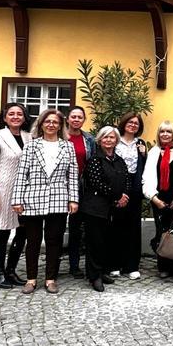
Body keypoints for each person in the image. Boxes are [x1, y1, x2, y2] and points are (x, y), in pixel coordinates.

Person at [11, 109, 79, 295]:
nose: (51, 125)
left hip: (58, 198)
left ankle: (50, 279)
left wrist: (74, 199)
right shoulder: (31, 146)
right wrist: (17, 199)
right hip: (32, 197)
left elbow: (72, 176)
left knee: (54, 241)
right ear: (41, 124)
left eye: (55, 122)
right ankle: (31, 279)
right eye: (47, 122)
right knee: (33, 241)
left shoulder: (68, 147)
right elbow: (21, 174)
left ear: (60, 125)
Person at [0, 103, 32, 288]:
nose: (15, 117)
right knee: (3, 231)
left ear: (24, 117)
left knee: (23, 231)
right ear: (4, 118)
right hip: (3, 190)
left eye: (19, 114)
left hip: (25, 192)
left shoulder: (30, 137)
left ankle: (11, 270)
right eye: (11, 114)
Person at [79, 127, 130, 292]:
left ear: (116, 141)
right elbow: (97, 184)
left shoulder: (119, 160)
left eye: (112, 137)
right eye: (105, 137)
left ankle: (102, 271)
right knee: (95, 242)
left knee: (107, 241)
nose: (109, 140)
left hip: (112, 209)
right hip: (95, 208)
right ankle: (94, 277)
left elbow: (127, 179)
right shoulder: (95, 160)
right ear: (100, 141)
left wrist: (125, 195)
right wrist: (117, 197)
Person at [142, 121, 173, 279]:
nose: (165, 134)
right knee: (162, 233)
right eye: (162, 131)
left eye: (168, 132)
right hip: (159, 200)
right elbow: (147, 178)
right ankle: (163, 266)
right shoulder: (154, 153)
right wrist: (154, 198)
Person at [111, 112, 147, 280]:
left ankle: (132, 265)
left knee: (133, 227)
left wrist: (144, 154)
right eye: (130, 122)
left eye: (136, 123)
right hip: (117, 185)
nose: (133, 125)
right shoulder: (115, 140)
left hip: (134, 187)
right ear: (124, 123)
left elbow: (144, 167)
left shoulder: (140, 144)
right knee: (116, 225)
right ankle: (115, 264)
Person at [65, 106, 95, 278]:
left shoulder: (89, 139)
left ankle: (75, 265)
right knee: (61, 225)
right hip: (61, 186)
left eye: (79, 117)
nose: (76, 120)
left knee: (77, 228)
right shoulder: (60, 137)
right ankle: (57, 261)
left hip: (82, 188)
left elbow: (91, 163)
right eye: (73, 117)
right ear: (68, 119)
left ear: (83, 120)